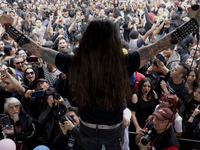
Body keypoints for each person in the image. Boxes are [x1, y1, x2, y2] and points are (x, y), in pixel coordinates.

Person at [0, 6, 198, 149]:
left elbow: (39, 50)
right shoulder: (125, 61)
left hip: (85, 129)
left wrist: (9, 28)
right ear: (113, 40)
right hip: (113, 130)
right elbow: (161, 44)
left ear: (87, 40)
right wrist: (193, 24)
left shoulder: (74, 63)